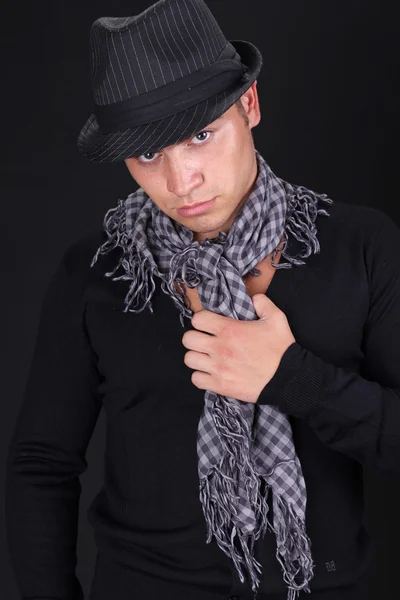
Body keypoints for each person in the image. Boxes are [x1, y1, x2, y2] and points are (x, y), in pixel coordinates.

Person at [5, 1, 400, 599]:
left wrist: (294, 380)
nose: (180, 180)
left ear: (249, 106)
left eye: (199, 134)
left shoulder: (360, 248)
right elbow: (42, 465)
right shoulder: (96, 273)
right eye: (147, 154)